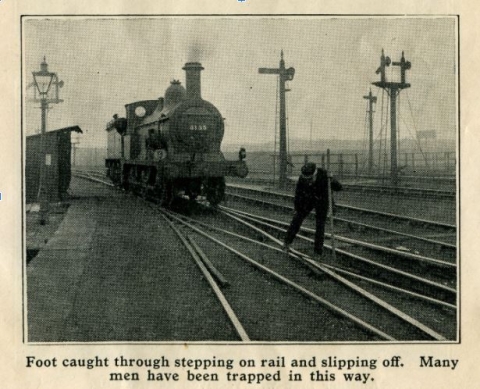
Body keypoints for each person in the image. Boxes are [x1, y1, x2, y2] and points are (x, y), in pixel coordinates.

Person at [283, 162, 342, 257]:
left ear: (315, 174)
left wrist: (332, 180)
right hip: (307, 200)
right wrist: (297, 208)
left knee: (320, 225)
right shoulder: (302, 178)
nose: (309, 181)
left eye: (310, 179)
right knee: (297, 220)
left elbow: (339, 187)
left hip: (321, 201)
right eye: (307, 179)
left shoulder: (324, 175)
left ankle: (318, 252)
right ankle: (287, 243)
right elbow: (298, 194)